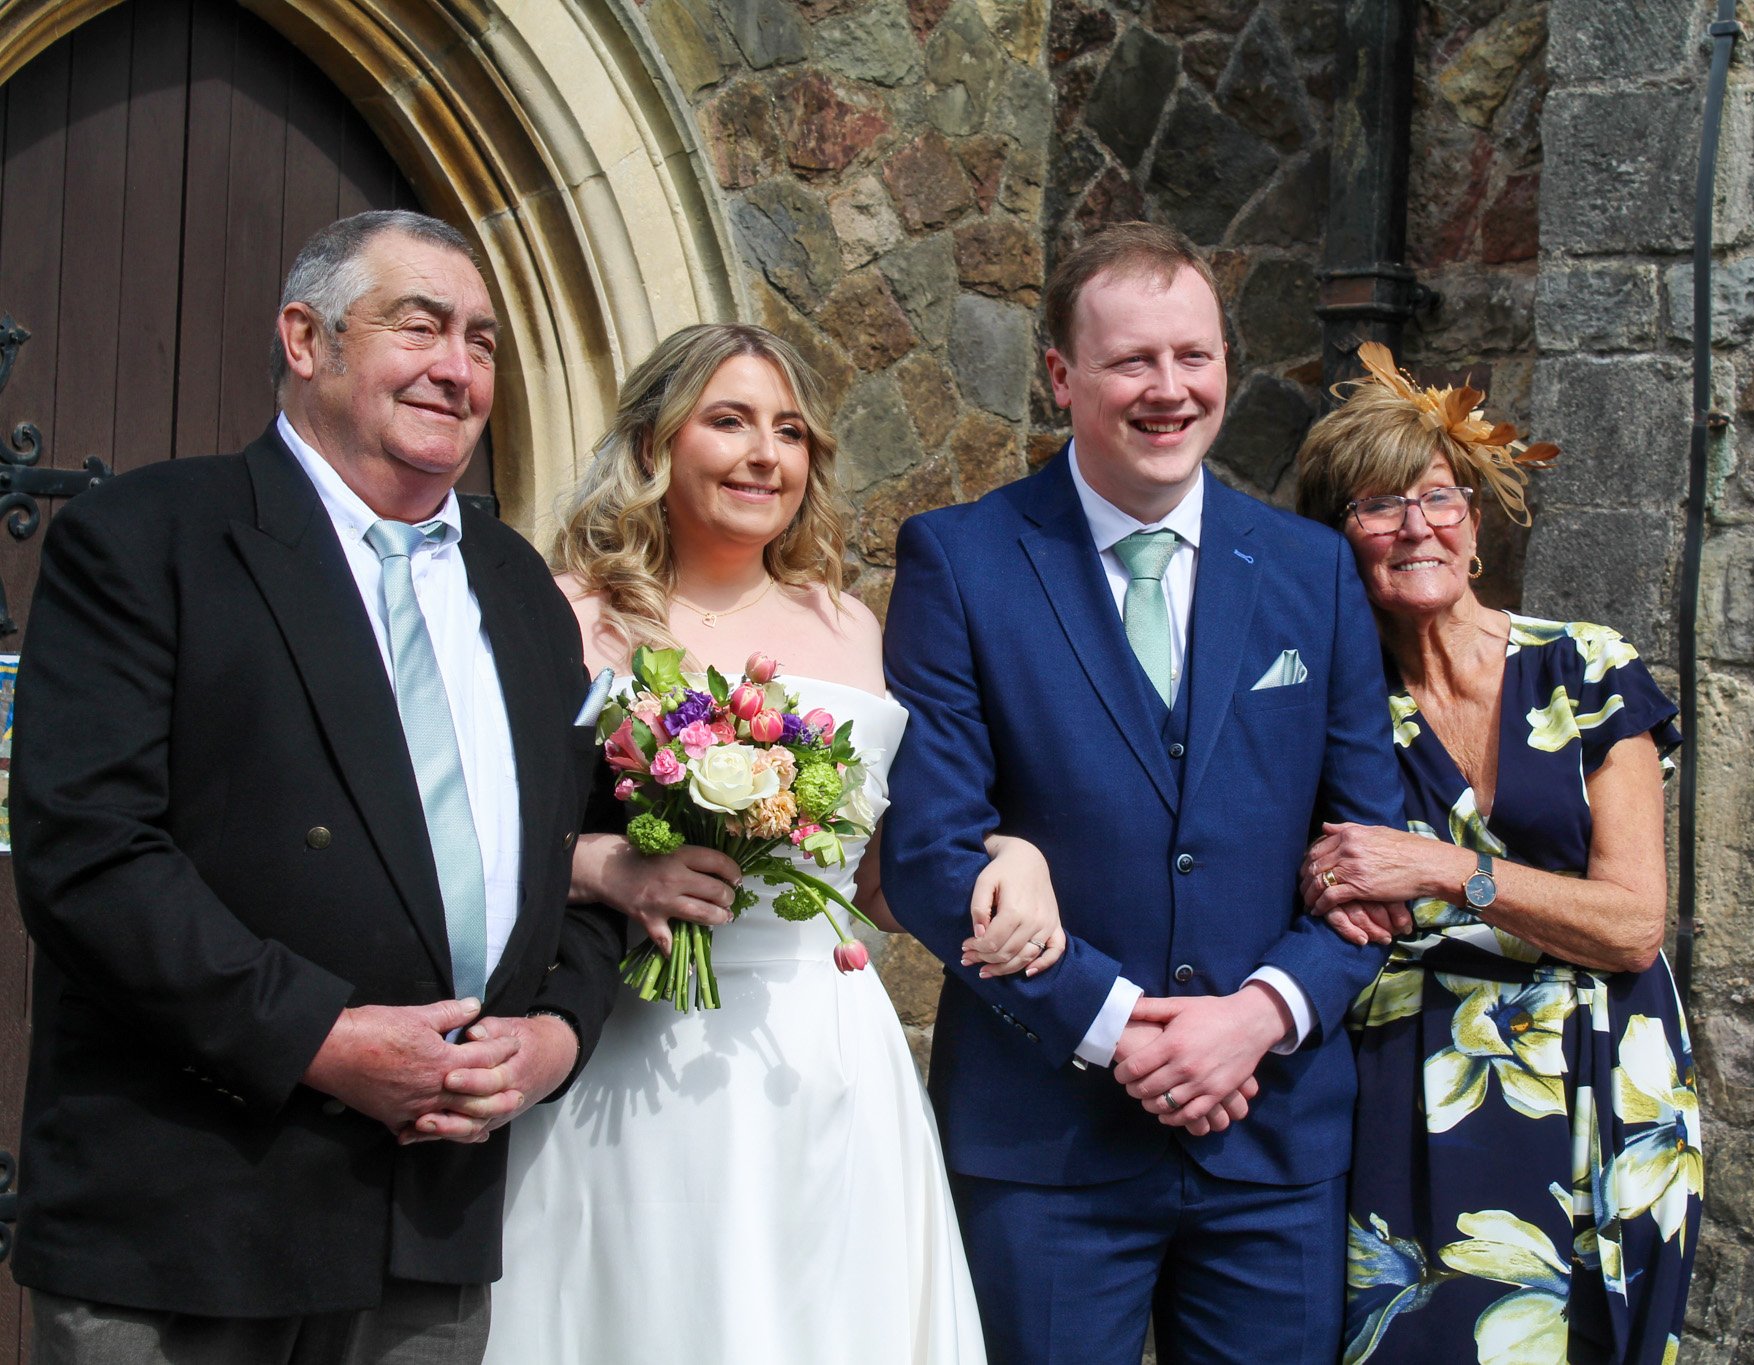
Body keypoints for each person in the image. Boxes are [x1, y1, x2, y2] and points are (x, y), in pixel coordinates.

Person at [9, 210, 617, 1364]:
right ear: (306, 338)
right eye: (420, 325)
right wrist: (318, 1038)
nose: (457, 366)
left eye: (482, 341)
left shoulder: (519, 587)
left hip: (426, 1230)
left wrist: (556, 1036)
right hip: (190, 1219)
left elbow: (589, 860)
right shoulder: (148, 540)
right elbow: (88, 855)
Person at [880, 222, 1411, 1365]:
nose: (1169, 390)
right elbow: (930, 853)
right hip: (1045, 1145)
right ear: (1062, 377)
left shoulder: (1312, 572)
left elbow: (1374, 852)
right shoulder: (959, 562)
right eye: (1132, 362)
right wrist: (1121, 1032)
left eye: (1195, 356)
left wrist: (1257, 1016)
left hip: (1271, 1139)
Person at [485, 322, 1061, 1365]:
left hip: (825, 1051)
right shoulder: (572, 616)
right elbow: (480, 835)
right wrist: (607, 866)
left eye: (789, 431)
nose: (765, 455)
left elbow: (883, 879)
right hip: (636, 1044)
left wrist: (1010, 857)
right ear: (656, 441)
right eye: (729, 422)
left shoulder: (853, 627)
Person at [1293, 345, 1702, 1365]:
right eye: (1376, 506)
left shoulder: (1584, 670)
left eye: (1436, 497)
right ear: (1339, 539)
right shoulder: (1327, 711)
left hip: (1601, 1074)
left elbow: (1630, 925)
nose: (1414, 526)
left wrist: (1443, 871)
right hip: (1411, 1085)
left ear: (1473, 520)